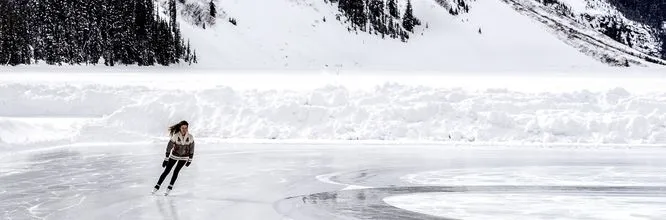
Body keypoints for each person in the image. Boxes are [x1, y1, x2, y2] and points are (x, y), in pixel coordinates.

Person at [152, 120, 195, 195]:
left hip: (184, 157)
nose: (184, 129)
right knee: (167, 171)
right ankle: (157, 186)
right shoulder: (175, 136)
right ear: (180, 128)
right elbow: (169, 147)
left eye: (186, 128)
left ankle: (169, 188)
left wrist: (190, 160)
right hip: (174, 156)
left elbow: (192, 148)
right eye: (183, 128)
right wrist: (166, 158)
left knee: (176, 172)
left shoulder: (190, 137)